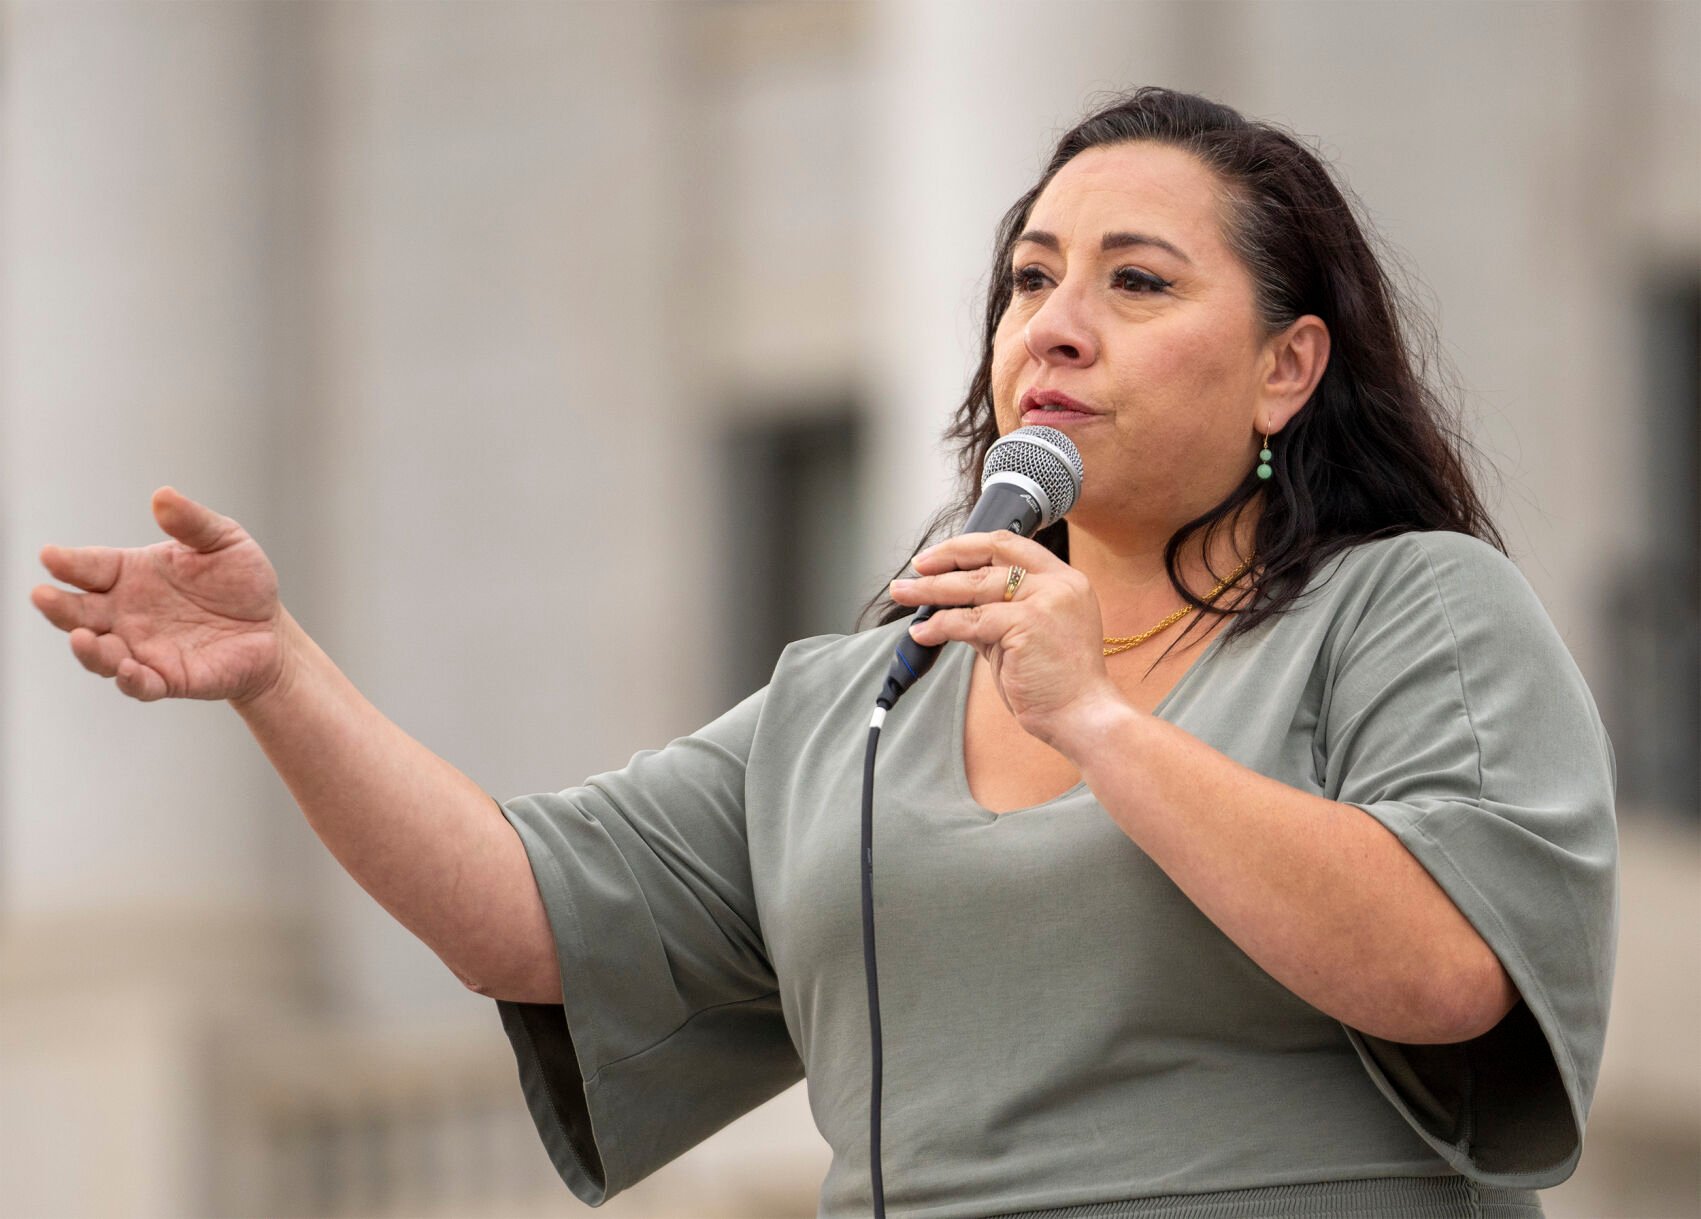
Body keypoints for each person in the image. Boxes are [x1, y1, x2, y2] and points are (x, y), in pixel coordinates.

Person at [30, 87, 1615, 1219]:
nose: (1055, 325)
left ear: (1286, 369)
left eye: (1137, 283)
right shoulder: (868, 692)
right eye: (1029, 280)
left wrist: (1101, 725)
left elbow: (1447, 968)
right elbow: (527, 919)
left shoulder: (1407, 608)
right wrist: (281, 678)